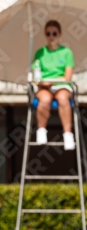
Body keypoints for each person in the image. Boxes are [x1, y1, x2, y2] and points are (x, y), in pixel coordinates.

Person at [33, 20, 75, 150]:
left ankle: (68, 134)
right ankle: (41, 131)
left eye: (54, 33)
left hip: (62, 86)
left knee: (63, 98)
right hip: (44, 87)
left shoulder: (67, 52)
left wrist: (51, 81)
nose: (51, 36)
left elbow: (67, 77)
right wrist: (43, 83)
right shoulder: (39, 53)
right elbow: (36, 76)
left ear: (60, 34)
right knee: (44, 100)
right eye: (48, 33)